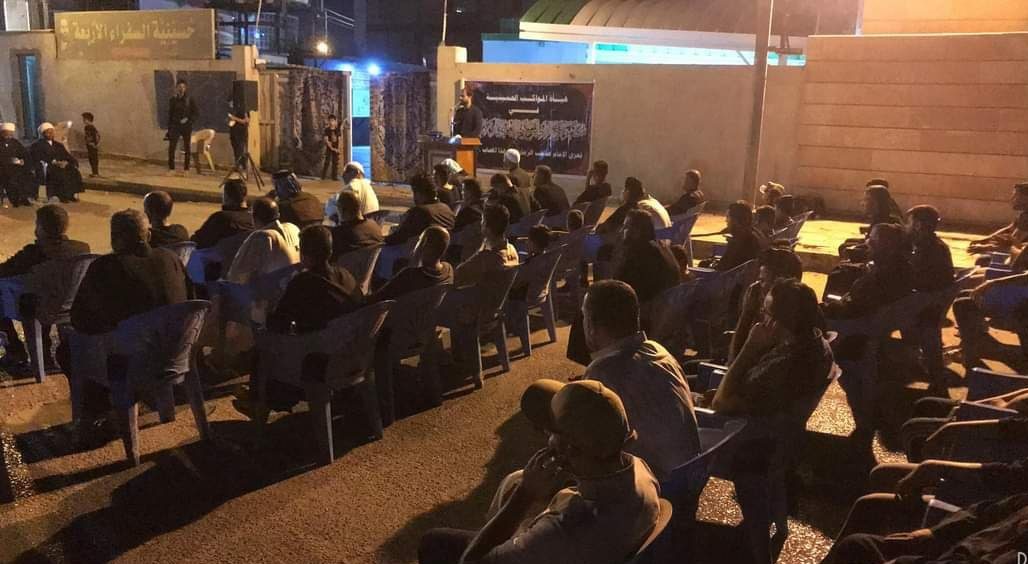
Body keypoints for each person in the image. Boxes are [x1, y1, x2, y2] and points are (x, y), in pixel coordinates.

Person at [417, 379, 661, 564]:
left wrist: (524, 495)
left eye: (551, 431)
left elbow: (472, 561)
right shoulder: (638, 468)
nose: (545, 434)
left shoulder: (563, 530)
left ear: (568, 448)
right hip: (602, 546)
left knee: (434, 541)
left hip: (558, 550)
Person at [580, 280, 701, 480]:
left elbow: (589, 442)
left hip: (651, 483)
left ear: (592, 325)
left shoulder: (602, 373)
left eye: (584, 317)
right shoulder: (659, 351)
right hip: (691, 472)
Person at [708, 278, 835, 416]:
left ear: (778, 322)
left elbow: (720, 404)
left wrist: (749, 347)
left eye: (765, 312)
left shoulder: (783, 366)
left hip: (743, 426)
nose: (761, 319)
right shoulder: (815, 342)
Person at [71, 209, 192, 336]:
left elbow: (79, 317)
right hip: (177, 340)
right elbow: (190, 298)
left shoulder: (106, 266)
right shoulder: (171, 258)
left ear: (113, 238)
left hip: (130, 344)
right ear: (149, 236)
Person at [0, 205, 90, 371]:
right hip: (70, 306)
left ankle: (14, 350)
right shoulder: (82, 248)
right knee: (44, 291)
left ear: (40, 227)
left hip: (42, 308)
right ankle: (45, 356)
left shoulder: (35, 253)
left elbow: (4, 271)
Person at [266, 226, 362, 334]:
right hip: (349, 338)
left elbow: (278, 324)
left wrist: (265, 313)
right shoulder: (346, 275)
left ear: (303, 256)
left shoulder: (301, 283)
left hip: (315, 341)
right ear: (330, 251)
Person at [728, 248, 804, 363]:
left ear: (778, 283)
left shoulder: (780, 329)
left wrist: (747, 313)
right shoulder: (805, 308)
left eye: (762, 280)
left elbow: (734, 363)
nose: (756, 285)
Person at [824, 223, 913, 319]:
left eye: (873, 239)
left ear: (886, 245)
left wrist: (827, 308)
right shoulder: (901, 266)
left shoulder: (879, 278)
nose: (868, 243)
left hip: (858, 321)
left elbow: (853, 309)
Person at [612, 209, 681, 305]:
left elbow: (621, 286)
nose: (621, 230)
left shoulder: (638, 253)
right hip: (668, 304)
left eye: (625, 226)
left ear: (636, 231)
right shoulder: (662, 247)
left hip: (648, 307)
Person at [225, 197, 301, 284]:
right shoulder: (293, 228)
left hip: (273, 288)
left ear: (254, 218)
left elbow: (236, 275)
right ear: (278, 214)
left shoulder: (262, 236)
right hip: (293, 284)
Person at [371, 226, 454, 303]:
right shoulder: (448, 270)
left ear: (423, 245)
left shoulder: (409, 275)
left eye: (419, 240)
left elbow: (377, 298)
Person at [454, 204, 519, 288]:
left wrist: (479, 252)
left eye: (482, 221)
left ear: (487, 229)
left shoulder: (485, 258)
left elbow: (458, 274)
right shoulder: (512, 250)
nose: (480, 224)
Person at [385, 173, 455, 246]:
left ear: (418, 193)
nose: (414, 197)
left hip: (417, 251)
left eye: (414, 192)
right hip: (442, 250)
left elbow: (399, 237)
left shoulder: (420, 212)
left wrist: (381, 240)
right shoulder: (446, 209)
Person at [191, 178, 254, 249]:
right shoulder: (254, 220)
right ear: (245, 196)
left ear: (226, 196)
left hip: (220, 255)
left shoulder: (221, 218)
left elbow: (199, 241)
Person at [596, 177, 671, 236]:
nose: (623, 192)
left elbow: (605, 227)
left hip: (649, 244)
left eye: (624, 190)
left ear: (628, 191)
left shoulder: (635, 206)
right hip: (664, 241)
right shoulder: (654, 202)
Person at [967, 182, 1028, 255]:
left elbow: (1012, 243)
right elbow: (1009, 229)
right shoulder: (1024, 214)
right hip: (1020, 252)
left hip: (1022, 254)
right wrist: (985, 240)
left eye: (1016, 196)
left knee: (984, 259)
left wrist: (986, 247)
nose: (1012, 198)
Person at [30, 122, 83, 203]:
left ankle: (71, 194)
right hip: (48, 166)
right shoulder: (37, 145)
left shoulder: (58, 145)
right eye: (48, 132)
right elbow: (38, 157)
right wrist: (55, 162)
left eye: (52, 132)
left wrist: (69, 162)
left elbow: (66, 155)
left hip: (61, 164)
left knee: (73, 171)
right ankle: (62, 196)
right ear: (43, 134)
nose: (51, 134)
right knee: (60, 173)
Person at [906, 205, 954, 292]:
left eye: (909, 223)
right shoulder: (936, 244)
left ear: (918, 225)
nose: (907, 227)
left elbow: (913, 278)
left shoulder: (927, 249)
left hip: (925, 296)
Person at [713, 202, 765, 272]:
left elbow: (721, 268)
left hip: (729, 276)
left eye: (728, 217)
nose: (726, 220)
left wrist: (712, 265)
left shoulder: (737, 241)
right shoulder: (753, 235)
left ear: (735, 220)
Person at [330, 191, 383, 258]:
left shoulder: (339, 234)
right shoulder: (374, 226)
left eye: (337, 208)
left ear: (342, 210)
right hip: (373, 263)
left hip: (348, 264)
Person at [167, 79, 198, 172]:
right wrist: (169, 128)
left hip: (186, 127)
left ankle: (186, 169)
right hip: (175, 126)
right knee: (172, 147)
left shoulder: (190, 99)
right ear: (176, 88)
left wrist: (188, 119)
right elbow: (170, 114)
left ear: (186, 88)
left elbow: (196, 113)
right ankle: (171, 168)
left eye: (183, 87)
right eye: (180, 87)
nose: (181, 89)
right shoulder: (173, 100)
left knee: (187, 148)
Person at [0, 122, 35, 207]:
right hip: (2, 167)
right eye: (6, 133)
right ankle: (15, 200)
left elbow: (24, 153)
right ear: (2, 133)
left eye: (10, 134)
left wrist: (23, 161)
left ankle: (24, 198)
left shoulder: (15, 142)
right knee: (11, 178)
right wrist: (9, 160)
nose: (8, 136)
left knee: (27, 175)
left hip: (16, 167)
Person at [227, 98, 250, 168]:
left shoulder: (243, 110)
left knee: (241, 149)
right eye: (229, 103)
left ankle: (243, 165)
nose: (230, 104)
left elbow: (246, 121)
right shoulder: (231, 110)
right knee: (235, 149)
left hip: (241, 132)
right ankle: (237, 165)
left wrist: (234, 118)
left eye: (231, 102)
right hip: (233, 131)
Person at [321, 115, 342, 181]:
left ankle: (334, 177)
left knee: (335, 162)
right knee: (327, 161)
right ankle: (323, 177)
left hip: (336, 148)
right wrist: (332, 148)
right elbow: (326, 140)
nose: (331, 122)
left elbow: (339, 139)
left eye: (332, 121)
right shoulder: (327, 130)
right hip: (329, 148)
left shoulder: (337, 130)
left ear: (335, 121)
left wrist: (338, 148)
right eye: (330, 120)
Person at [82, 112, 100, 177]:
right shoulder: (90, 127)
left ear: (88, 120)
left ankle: (95, 173)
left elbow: (96, 136)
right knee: (92, 159)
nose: (83, 121)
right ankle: (94, 172)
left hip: (92, 145)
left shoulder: (90, 127)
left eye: (84, 119)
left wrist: (94, 144)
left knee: (93, 159)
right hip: (90, 145)